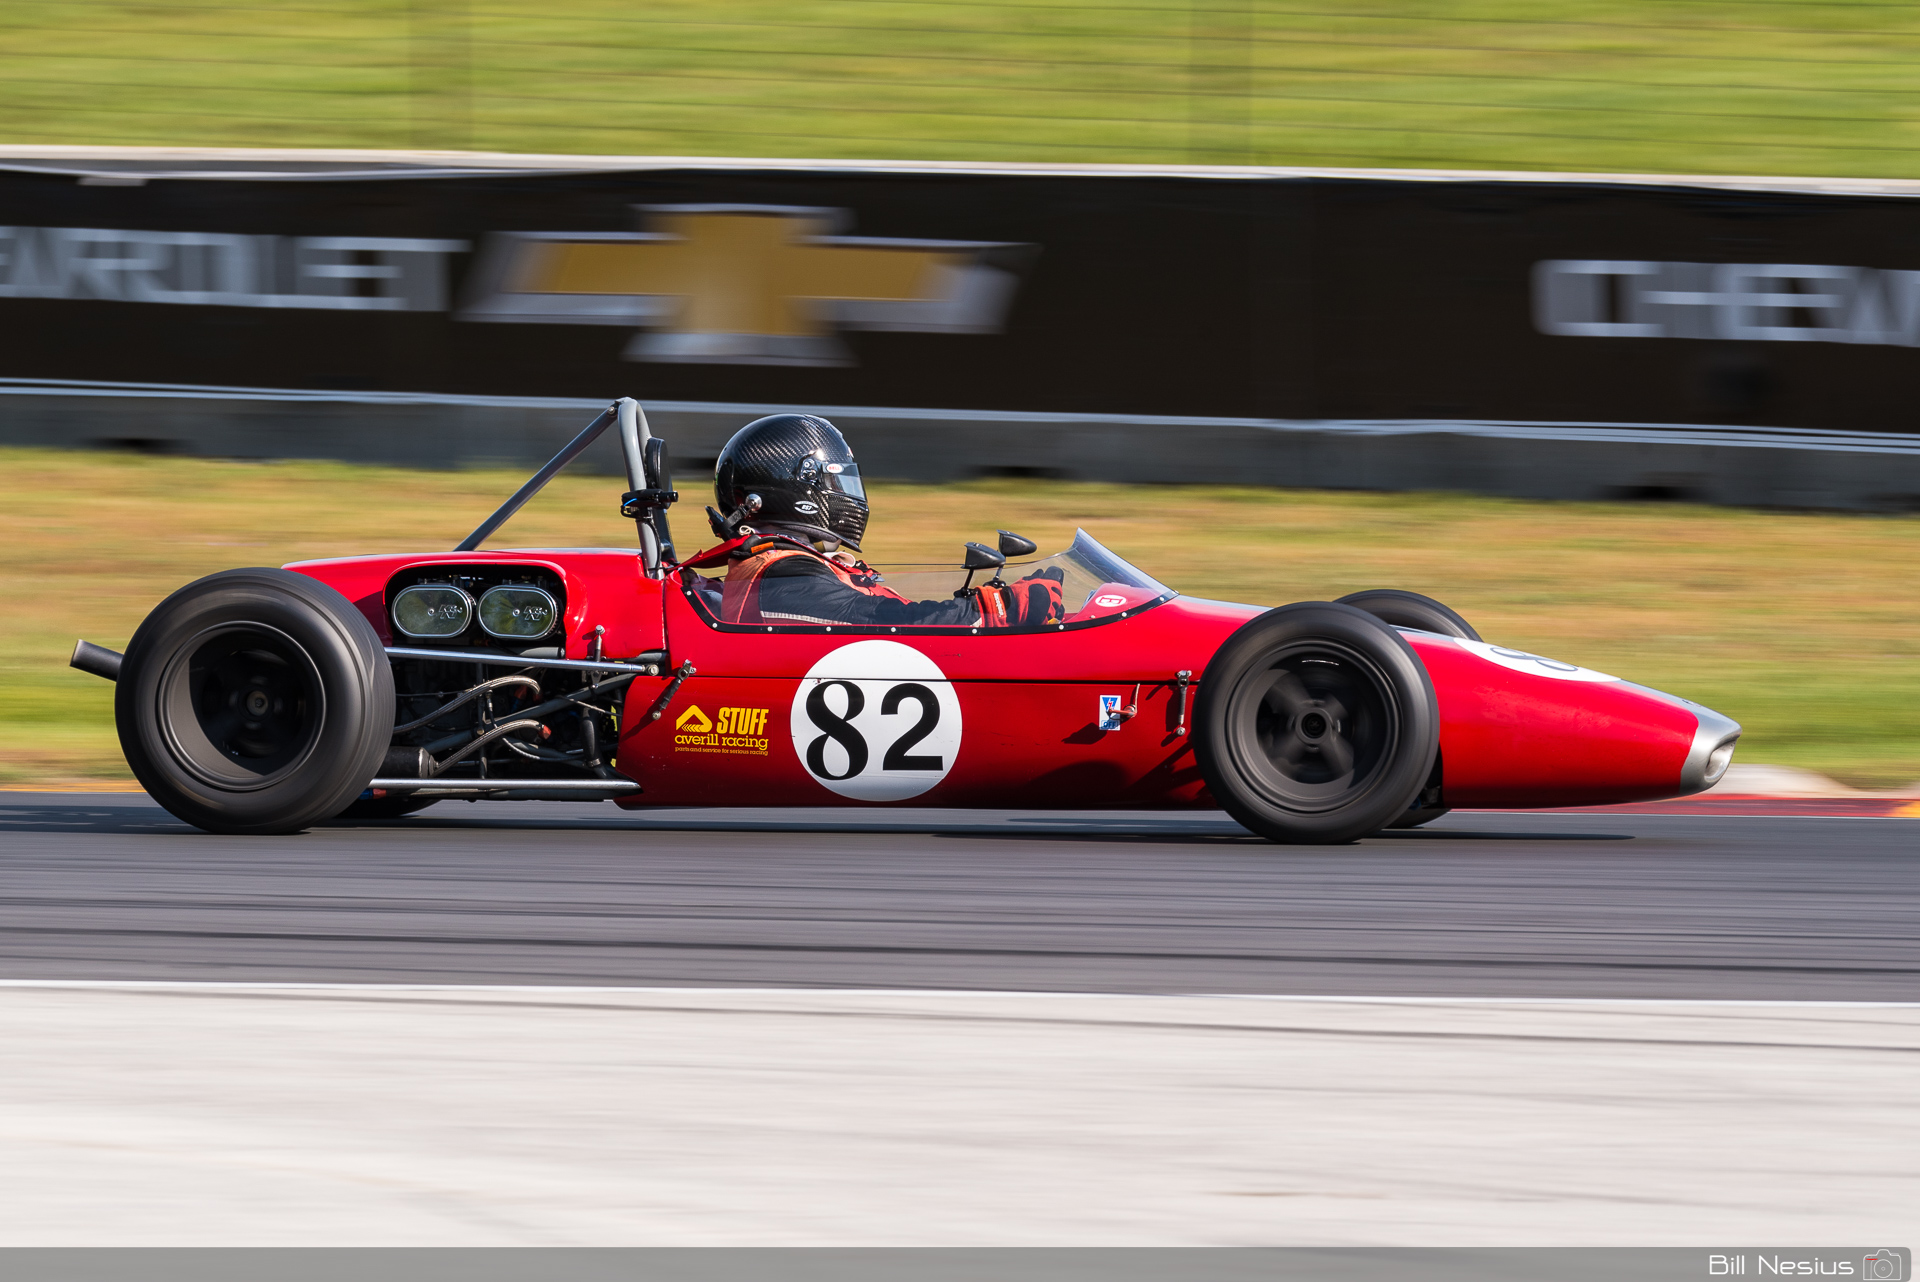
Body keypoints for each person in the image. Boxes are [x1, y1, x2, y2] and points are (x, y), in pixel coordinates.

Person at [699, 413, 1064, 628]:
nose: (846, 493)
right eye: (835, 480)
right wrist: (992, 610)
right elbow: (882, 620)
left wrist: (974, 604)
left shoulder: (791, 564)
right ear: (795, 488)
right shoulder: (781, 575)